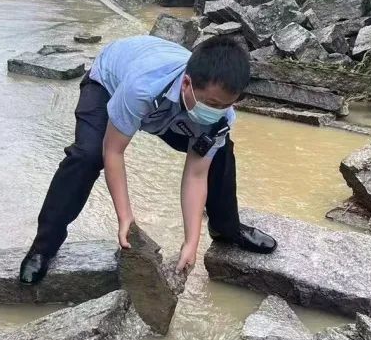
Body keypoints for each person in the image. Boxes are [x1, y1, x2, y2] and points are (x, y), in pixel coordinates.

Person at [19, 33, 277, 284]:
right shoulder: (141, 86)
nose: (217, 111)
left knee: (219, 150)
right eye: (212, 103)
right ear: (187, 84)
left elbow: (196, 174)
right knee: (88, 156)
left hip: (172, 107)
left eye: (225, 105)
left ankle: (225, 229)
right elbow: (114, 151)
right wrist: (125, 218)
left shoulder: (220, 116)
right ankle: (43, 247)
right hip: (110, 82)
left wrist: (191, 241)